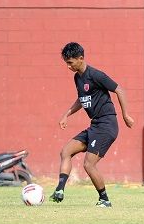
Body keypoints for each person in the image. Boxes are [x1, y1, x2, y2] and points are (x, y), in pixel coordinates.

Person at [52, 42, 134, 208]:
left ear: (81, 58)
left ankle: (104, 199)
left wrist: (125, 115)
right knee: (66, 151)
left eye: (70, 62)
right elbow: (82, 100)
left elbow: (120, 90)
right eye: (66, 63)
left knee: (89, 164)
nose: (68, 66)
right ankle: (60, 190)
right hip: (95, 125)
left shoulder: (96, 75)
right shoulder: (77, 78)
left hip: (106, 124)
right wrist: (66, 114)